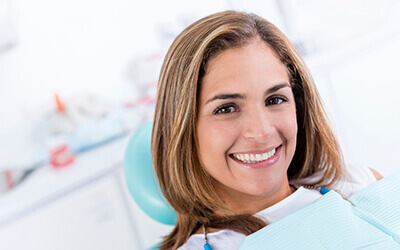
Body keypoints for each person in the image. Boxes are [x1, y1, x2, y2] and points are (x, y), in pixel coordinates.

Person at [151, 10, 383, 249]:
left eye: (274, 100)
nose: (262, 132)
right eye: (227, 109)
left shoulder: (361, 184)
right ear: (183, 129)